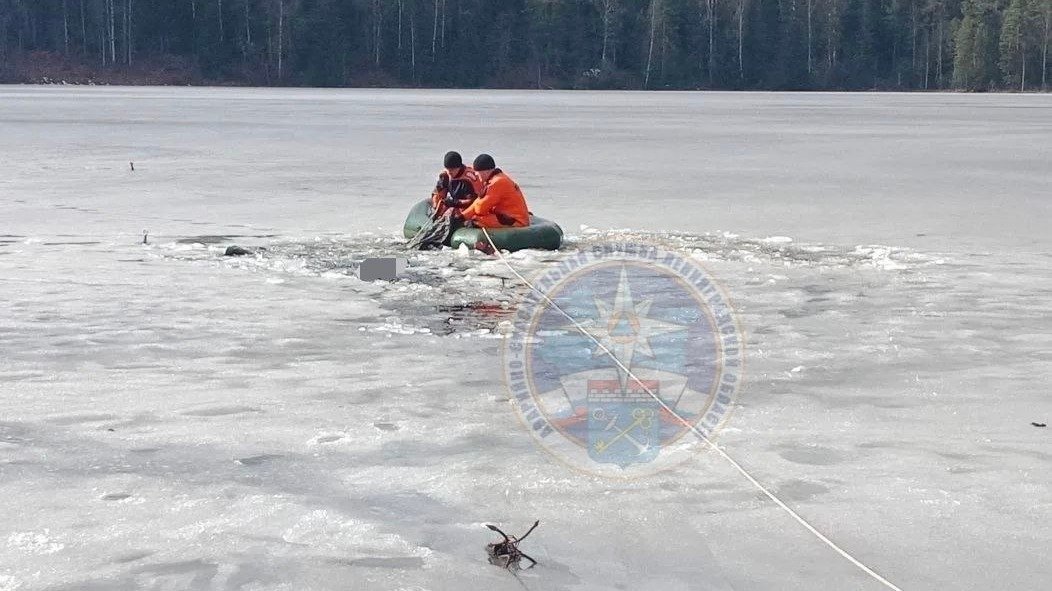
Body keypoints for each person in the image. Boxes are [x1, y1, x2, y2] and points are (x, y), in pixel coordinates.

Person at [457, 154, 530, 229]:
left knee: (475, 220)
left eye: (477, 173)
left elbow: (480, 209)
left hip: (516, 221)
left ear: (485, 172)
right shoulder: (497, 179)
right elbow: (477, 203)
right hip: (507, 216)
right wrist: (462, 217)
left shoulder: (497, 183)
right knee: (471, 218)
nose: (477, 176)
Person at [431, 151, 482, 216]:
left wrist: (454, 203)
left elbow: (472, 201)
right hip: (454, 202)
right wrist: (436, 206)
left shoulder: (468, 180)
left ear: (459, 167)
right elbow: (438, 194)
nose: (449, 172)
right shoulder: (445, 176)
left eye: (452, 169)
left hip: (468, 206)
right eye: (447, 169)